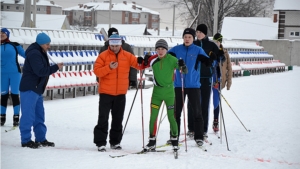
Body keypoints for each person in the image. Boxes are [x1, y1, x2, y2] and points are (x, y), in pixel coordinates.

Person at [167, 28, 215, 147]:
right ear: (183, 38)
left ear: (193, 38)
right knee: (176, 113)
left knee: (197, 112)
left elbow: (207, 62)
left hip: (194, 85)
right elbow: (164, 56)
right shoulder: (176, 49)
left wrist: (211, 59)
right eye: (185, 37)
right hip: (179, 85)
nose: (187, 39)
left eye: (189, 37)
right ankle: (174, 135)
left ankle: (198, 137)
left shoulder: (198, 50)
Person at [137, 39, 187, 151]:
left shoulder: (173, 59)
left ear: (166, 50)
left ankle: (174, 139)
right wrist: (140, 61)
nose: (160, 51)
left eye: (163, 49)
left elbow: (184, 71)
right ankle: (152, 141)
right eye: (158, 49)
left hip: (169, 93)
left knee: (171, 117)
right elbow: (140, 66)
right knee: (153, 117)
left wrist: (182, 65)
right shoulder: (153, 59)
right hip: (157, 93)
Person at [93, 34, 140, 152]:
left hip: (120, 93)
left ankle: (115, 141)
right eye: (112, 45)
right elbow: (97, 71)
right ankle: (100, 142)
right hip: (105, 92)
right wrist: (109, 67)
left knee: (118, 119)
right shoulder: (103, 56)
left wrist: (143, 61)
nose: (114, 48)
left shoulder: (127, 56)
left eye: (116, 45)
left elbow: (138, 65)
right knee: (103, 118)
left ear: (120, 45)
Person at [19, 32, 63, 148]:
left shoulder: (41, 52)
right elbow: (40, 71)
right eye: (47, 44)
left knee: (39, 115)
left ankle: (40, 138)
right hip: (29, 88)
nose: (49, 46)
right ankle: (26, 140)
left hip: (37, 89)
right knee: (28, 116)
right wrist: (56, 67)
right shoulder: (34, 54)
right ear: (41, 43)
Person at [187, 24, 223, 140]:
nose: (198, 34)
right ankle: (191, 128)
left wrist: (218, 54)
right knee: (191, 104)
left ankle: (203, 129)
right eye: (197, 32)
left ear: (205, 33)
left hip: (206, 78)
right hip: (194, 79)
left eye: (200, 32)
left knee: (204, 104)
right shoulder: (193, 44)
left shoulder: (211, 45)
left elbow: (221, 58)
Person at [1, 28, 26, 126]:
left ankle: (16, 118)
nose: (1, 34)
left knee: (15, 95)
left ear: (7, 35)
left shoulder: (15, 45)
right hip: (2, 74)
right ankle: (2, 117)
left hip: (15, 73)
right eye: (0, 33)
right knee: (3, 96)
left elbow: (26, 55)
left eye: (3, 33)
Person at [211, 33, 232, 132]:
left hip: (218, 80)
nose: (216, 44)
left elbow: (229, 68)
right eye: (215, 42)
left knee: (216, 101)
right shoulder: (209, 51)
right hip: (208, 80)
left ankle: (216, 121)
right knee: (204, 102)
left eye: (218, 42)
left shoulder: (224, 53)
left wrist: (228, 82)